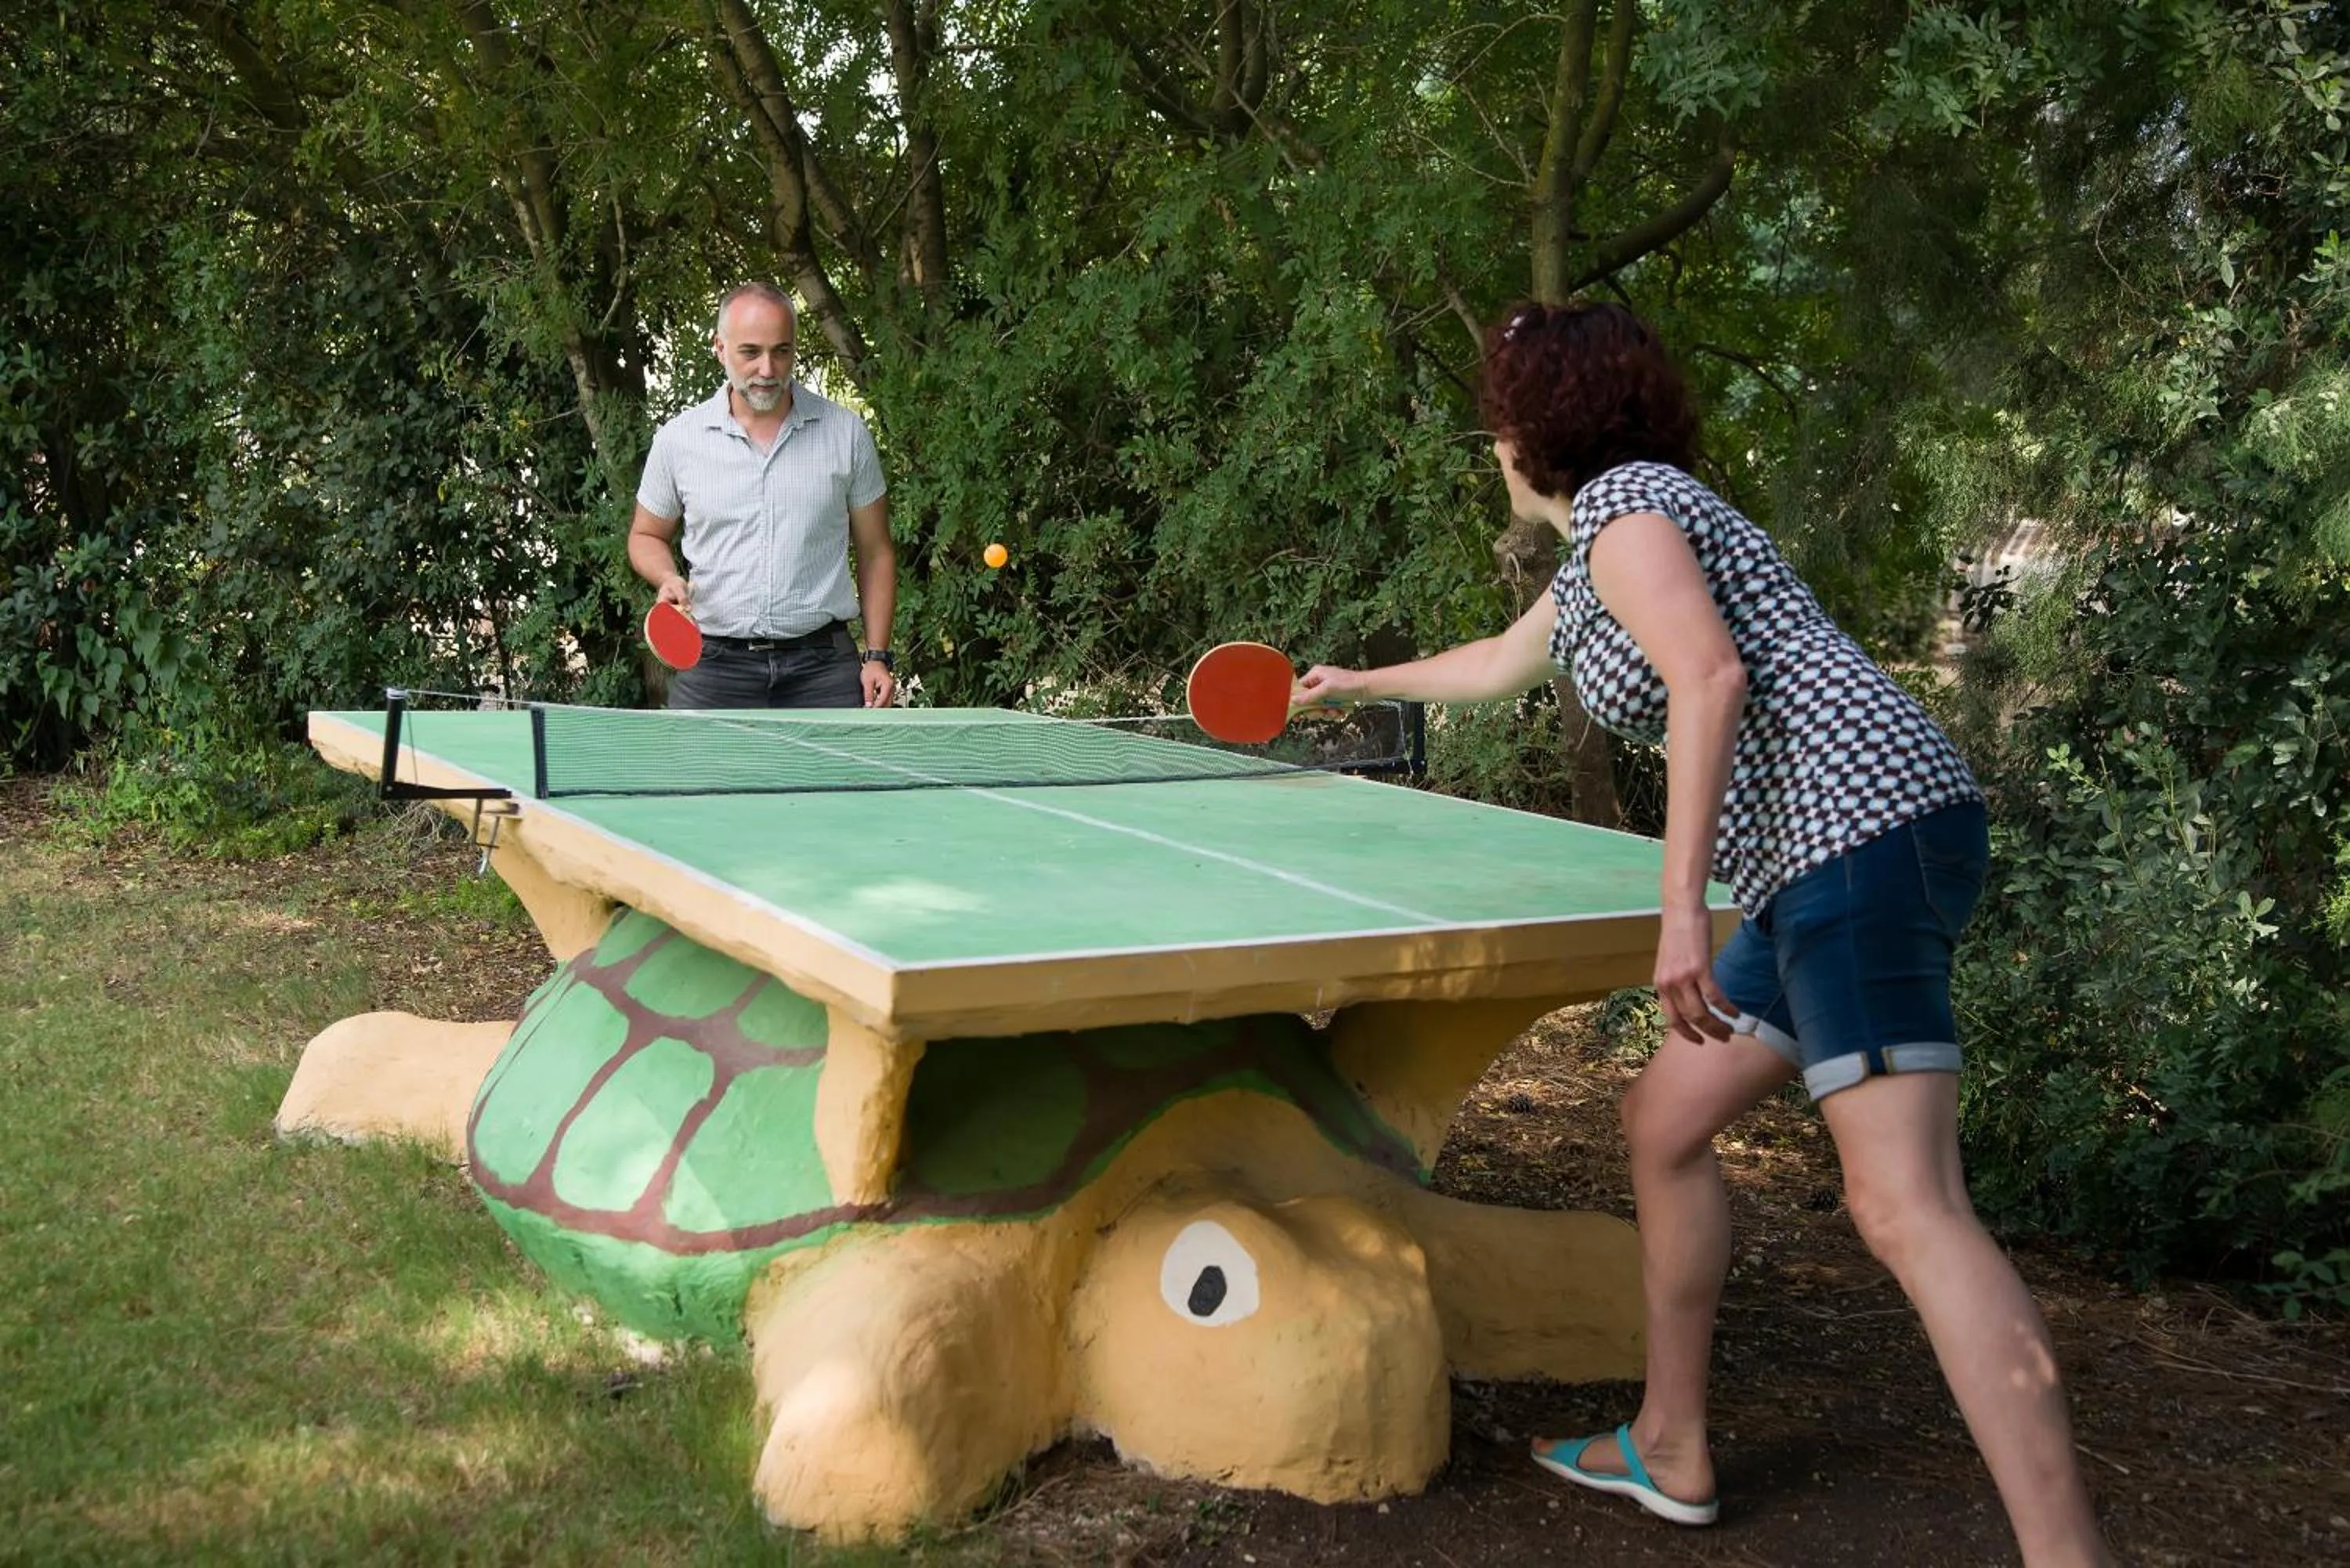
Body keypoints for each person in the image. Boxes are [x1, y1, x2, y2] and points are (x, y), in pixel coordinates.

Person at [1294, 302, 2112, 1568]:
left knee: (1906, 1206)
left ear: (1541, 426)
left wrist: (1681, 908)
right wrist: (1352, 683)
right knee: (1662, 1122)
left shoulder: (1628, 509)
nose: (1493, 445)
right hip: (1829, 860)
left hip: (1858, 837)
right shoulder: (1606, 548)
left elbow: (1709, 675)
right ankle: (1671, 1443)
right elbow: (1503, 663)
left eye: (1499, 420)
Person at [627, 282, 897, 709]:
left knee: (835, 780)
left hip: (823, 670)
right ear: (720, 348)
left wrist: (878, 656)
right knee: (696, 780)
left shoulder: (846, 434)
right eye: (750, 352)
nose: (768, 369)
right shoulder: (679, 441)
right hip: (714, 668)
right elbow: (646, 535)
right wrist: (666, 577)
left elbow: (876, 551)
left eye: (781, 351)